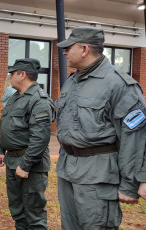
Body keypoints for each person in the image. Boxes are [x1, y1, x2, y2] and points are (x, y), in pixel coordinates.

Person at [55, 27, 146, 229]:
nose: (64, 52)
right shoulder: (72, 81)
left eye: (69, 48)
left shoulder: (119, 84)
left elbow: (135, 138)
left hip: (97, 177)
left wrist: (130, 185)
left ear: (84, 49)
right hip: (68, 171)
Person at [0, 58, 55, 230]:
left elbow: (40, 138)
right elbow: (7, 125)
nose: (9, 76)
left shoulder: (39, 100)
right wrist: (1, 149)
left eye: (12, 73)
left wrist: (26, 165)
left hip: (30, 165)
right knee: (18, 209)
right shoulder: (15, 97)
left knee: (34, 213)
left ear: (22, 75)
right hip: (12, 161)